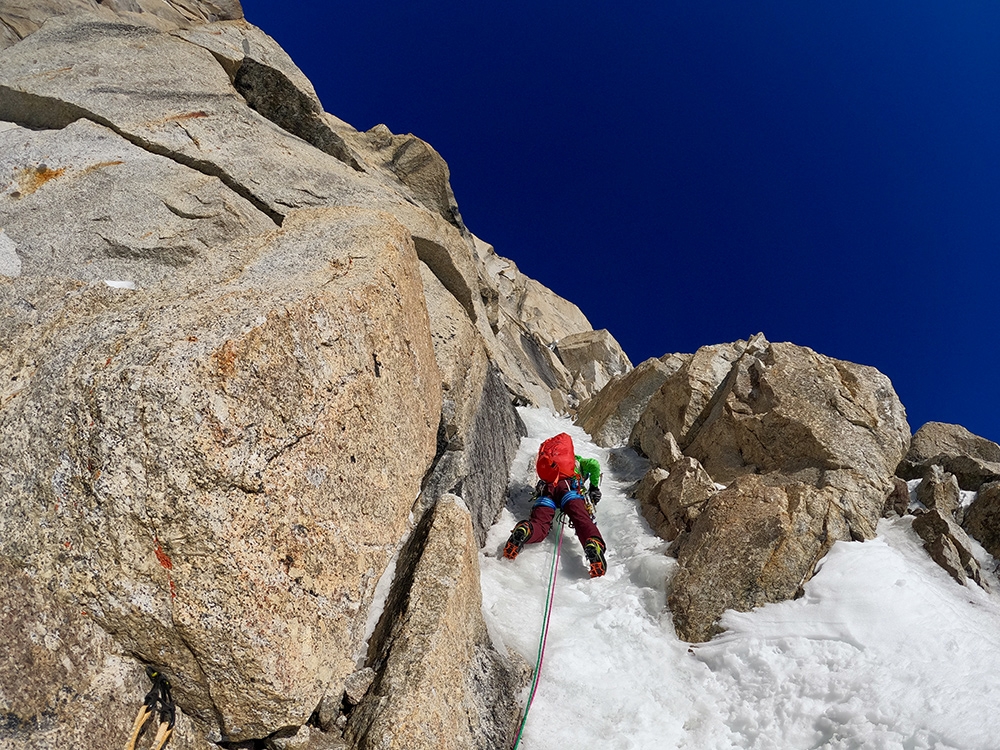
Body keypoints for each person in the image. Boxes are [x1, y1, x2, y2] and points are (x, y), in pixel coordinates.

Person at [503, 433, 607, 578]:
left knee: (540, 524)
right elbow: (594, 465)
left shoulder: (550, 463)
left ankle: (527, 529)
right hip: (569, 489)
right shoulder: (578, 462)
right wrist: (594, 487)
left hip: (547, 489)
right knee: (581, 521)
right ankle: (593, 543)